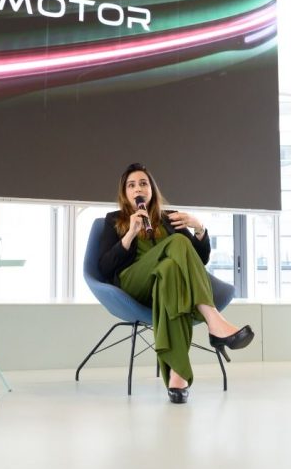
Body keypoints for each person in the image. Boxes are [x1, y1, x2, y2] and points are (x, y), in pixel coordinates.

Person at [96, 162, 254, 404]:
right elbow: (104, 268)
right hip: (134, 283)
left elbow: (196, 260)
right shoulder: (113, 220)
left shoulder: (169, 218)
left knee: (170, 271)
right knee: (179, 244)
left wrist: (199, 228)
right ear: (125, 193)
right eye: (131, 185)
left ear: (152, 189)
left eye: (143, 183)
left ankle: (177, 378)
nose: (138, 189)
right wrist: (130, 233)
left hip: (165, 284)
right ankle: (213, 319)